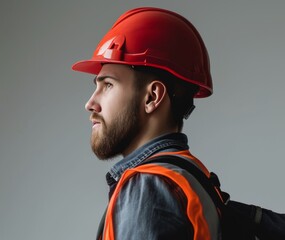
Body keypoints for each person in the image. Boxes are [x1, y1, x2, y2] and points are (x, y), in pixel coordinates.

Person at [72, 7, 220, 240]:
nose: (90, 103)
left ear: (152, 97)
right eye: (95, 86)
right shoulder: (190, 176)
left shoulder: (148, 187)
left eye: (108, 85)